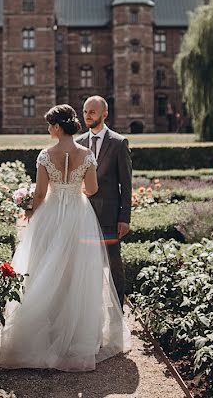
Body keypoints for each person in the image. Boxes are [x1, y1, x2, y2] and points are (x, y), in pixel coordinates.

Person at [0, 104, 131, 371]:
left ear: (55, 127)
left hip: (51, 214)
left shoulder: (45, 155)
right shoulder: (86, 154)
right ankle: (76, 333)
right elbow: (93, 188)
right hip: (79, 214)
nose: (48, 129)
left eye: (48, 125)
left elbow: (40, 193)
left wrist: (30, 208)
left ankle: (47, 330)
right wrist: (74, 192)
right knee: (77, 272)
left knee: (44, 267)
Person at [77, 95, 133, 307]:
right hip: (82, 214)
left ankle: (118, 309)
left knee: (114, 265)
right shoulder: (78, 143)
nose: (87, 115)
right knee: (85, 265)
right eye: (85, 111)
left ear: (104, 114)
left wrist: (124, 217)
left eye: (92, 111)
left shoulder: (119, 143)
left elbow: (126, 185)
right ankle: (89, 310)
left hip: (109, 216)